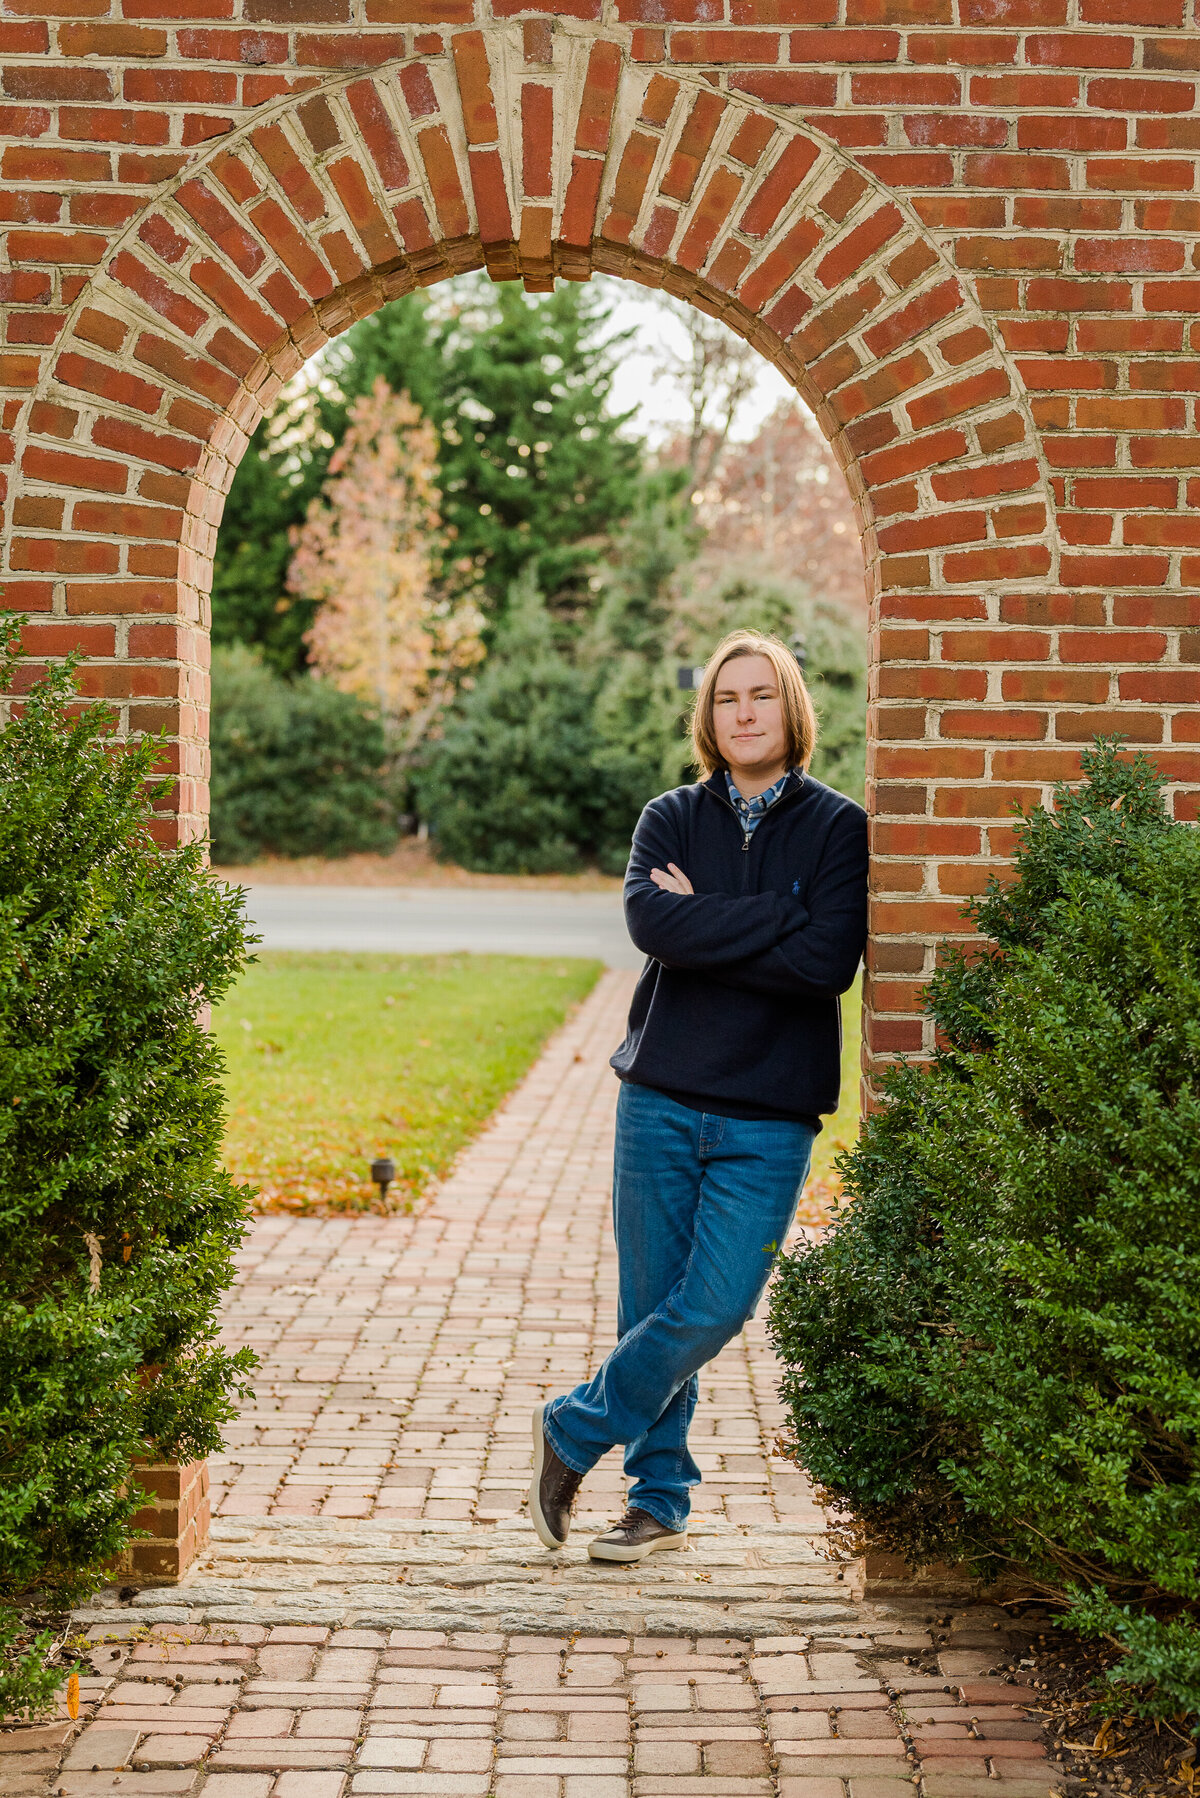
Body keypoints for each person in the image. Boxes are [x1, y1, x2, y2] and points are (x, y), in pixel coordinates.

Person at [527, 627, 869, 1563]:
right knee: (651, 1305)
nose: (744, 712)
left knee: (714, 1305)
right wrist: (775, 916)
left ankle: (572, 1428)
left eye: (760, 695)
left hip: (771, 1110)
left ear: (790, 710)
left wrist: (706, 924)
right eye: (727, 698)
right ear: (708, 717)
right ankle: (659, 1498)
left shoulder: (839, 826)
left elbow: (826, 962)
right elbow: (653, 923)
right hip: (662, 1097)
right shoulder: (669, 818)